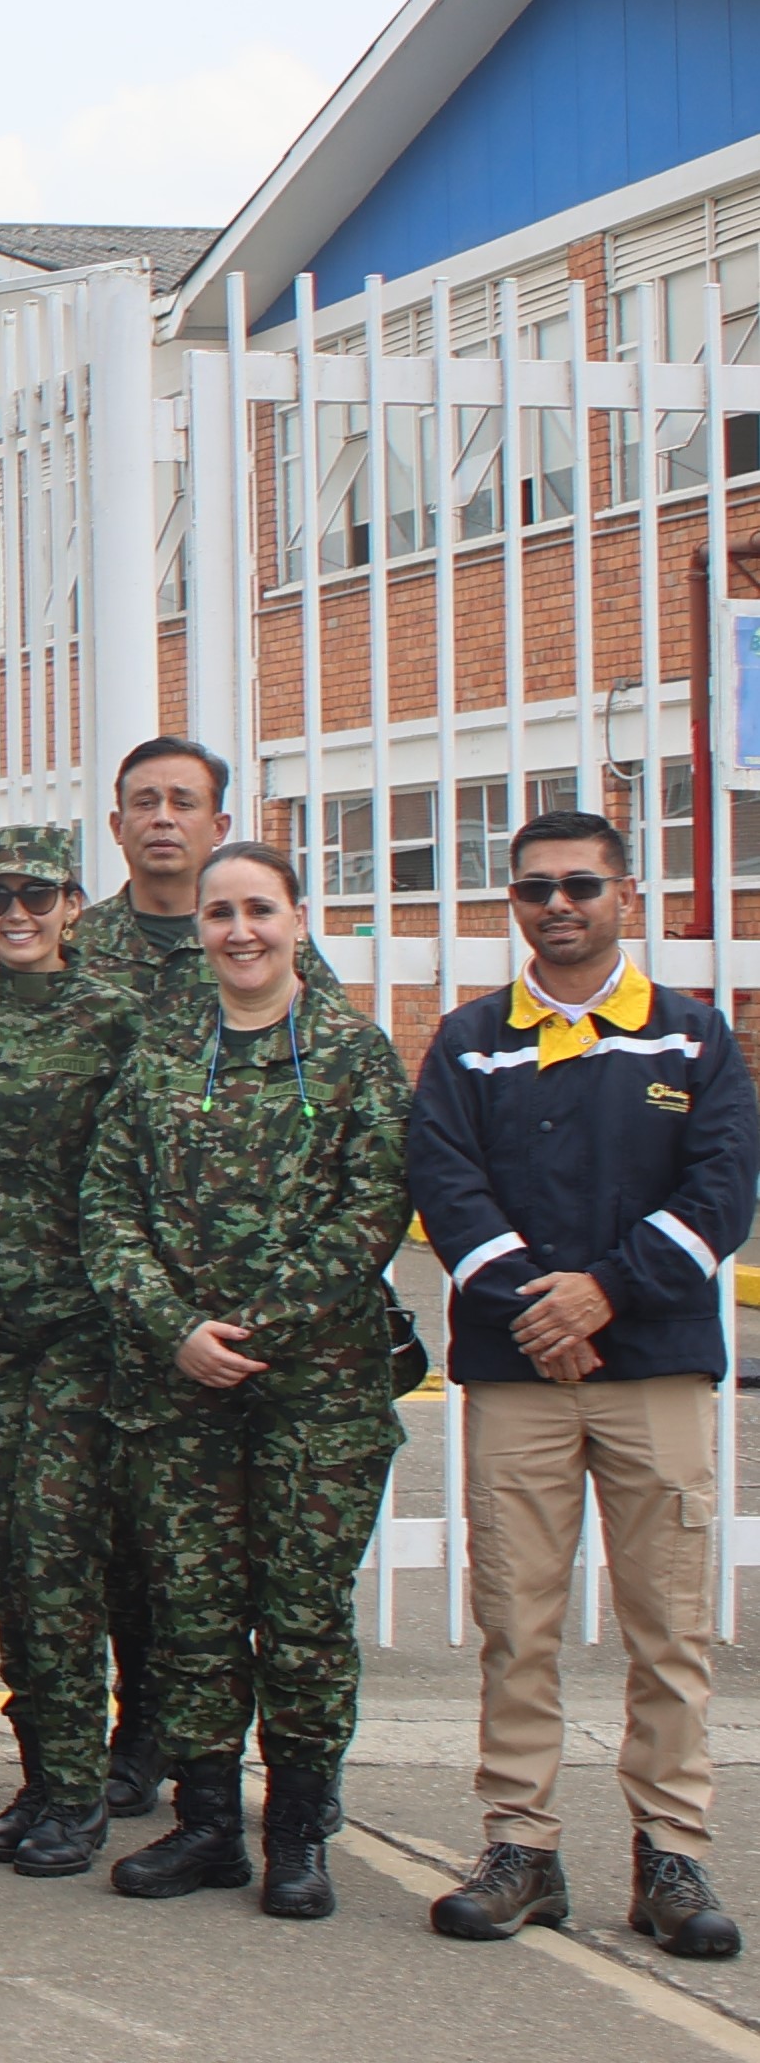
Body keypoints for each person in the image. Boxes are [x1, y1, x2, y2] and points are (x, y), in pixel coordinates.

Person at [412, 808, 755, 1957]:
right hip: (519, 1371)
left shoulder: (693, 1038)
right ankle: (521, 1845)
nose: (558, 905)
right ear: (512, 902)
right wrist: (541, 1310)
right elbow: (448, 1191)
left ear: (625, 897)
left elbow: (721, 1194)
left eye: (581, 885)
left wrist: (603, 1292)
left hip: (653, 1363)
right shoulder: (467, 1041)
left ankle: (672, 1851)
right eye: (534, 888)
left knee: (670, 1623)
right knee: (518, 1618)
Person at [78, 841, 406, 1920]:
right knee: (196, 1613)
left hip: (319, 1390)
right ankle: (209, 1819)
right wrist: (176, 1329)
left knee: (304, 1613)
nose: (239, 930)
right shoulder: (164, 1050)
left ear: (298, 918)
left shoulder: (355, 1053)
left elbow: (373, 1210)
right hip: (181, 1390)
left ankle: (300, 1826)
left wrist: (254, 1326)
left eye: (259, 909)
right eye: (220, 913)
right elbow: (106, 1205)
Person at [0, 824, 150, 1880]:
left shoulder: (114, 1018)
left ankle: (74, 1786)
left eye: (37, 894)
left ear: (71, 900)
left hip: (84, 1315)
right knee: (7, 1545)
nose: (16, 912)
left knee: (60, 1549)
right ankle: (40, 1770)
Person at [73, 735, 333, 1005]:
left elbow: (338, 1035)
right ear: (118, 827)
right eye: (145, 803)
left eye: (183, 804)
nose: (163, 819)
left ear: (218, 828)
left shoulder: (261, 941)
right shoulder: (73, 943)